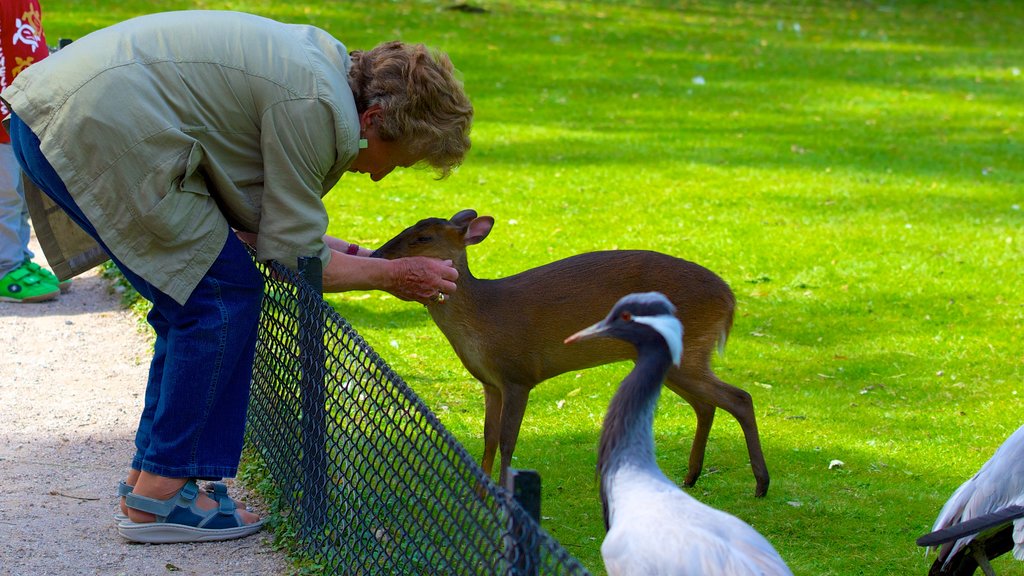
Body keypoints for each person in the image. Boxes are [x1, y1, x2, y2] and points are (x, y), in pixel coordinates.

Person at [1, 10, 472, 543]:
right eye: (397, 160)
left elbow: (266, 222)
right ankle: (160, 498)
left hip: (48, 115)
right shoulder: (320, 107)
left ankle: (152, 477)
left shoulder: (324, 68)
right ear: (373, 122)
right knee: (220, 299)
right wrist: (392, 275)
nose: (383, 174)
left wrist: (346, 252)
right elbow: (293, 255)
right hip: (88, 129)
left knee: (196, 297)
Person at [0, 0, 67, 303]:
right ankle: (5, 268)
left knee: (21, 194)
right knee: (5, 199)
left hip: (22, 112)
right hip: (3, 111)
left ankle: (20, 258)